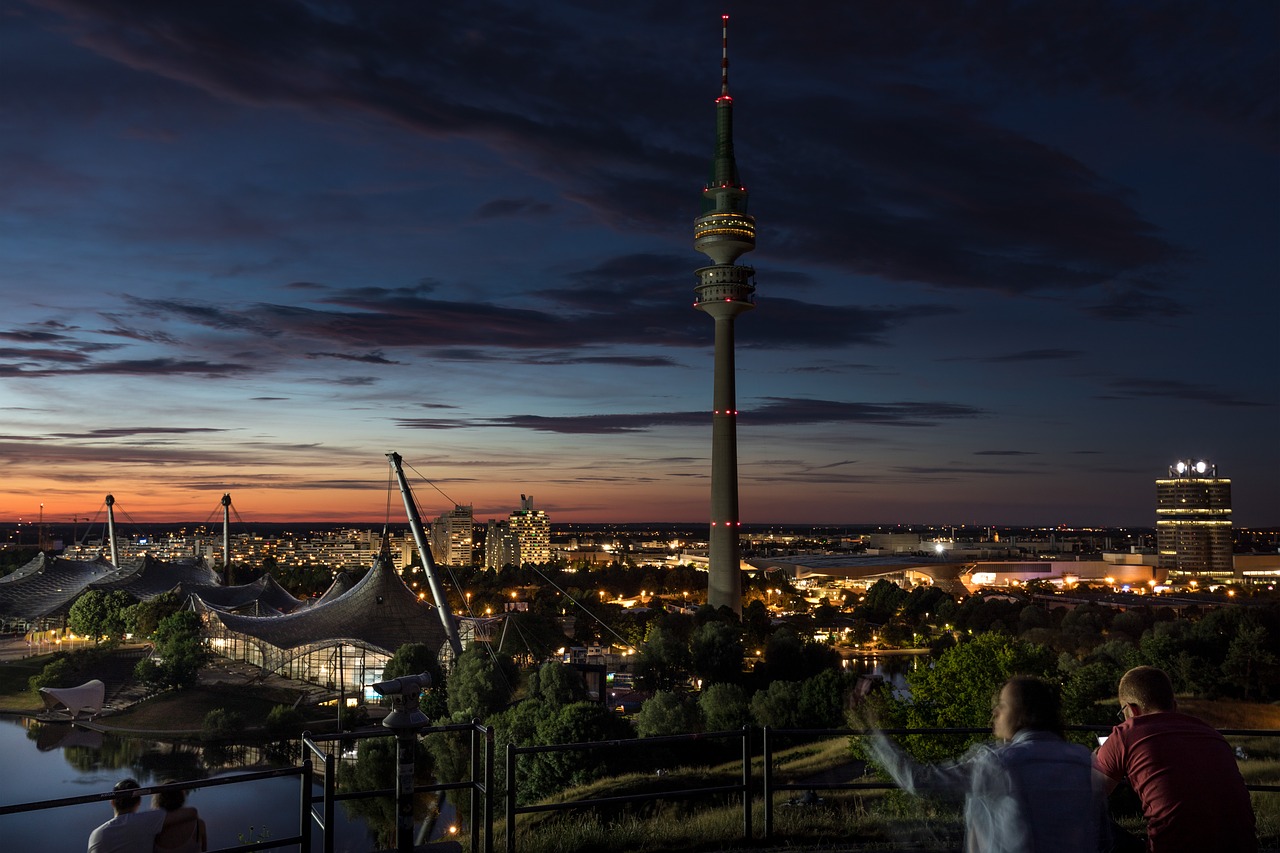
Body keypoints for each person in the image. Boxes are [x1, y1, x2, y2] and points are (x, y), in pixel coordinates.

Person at [862, 675, 1108, 853]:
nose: (994, 712)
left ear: (1024, 715)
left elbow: (918, 780)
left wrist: (873, 730)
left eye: (1002, 705)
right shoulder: (1084, 763)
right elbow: (1102, 838)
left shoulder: (999, 765)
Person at [1094, 665, 1257, 852]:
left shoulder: (1127, 733)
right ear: (1175, 705)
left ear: (1132, 710)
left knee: (1087, 817)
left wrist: (1095, 757)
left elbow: (1084, 795)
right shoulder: (1211, 734)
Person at [87, 779, 197, 853]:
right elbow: (191, 812)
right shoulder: (149, 820)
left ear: (112, 802)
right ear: (139, 802)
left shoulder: (96, 834)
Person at [153, 788, 207, 853]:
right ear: (182, 798)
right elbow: (205, 849)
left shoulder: (153, 828)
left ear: (158, 800)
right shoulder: (199, 824)